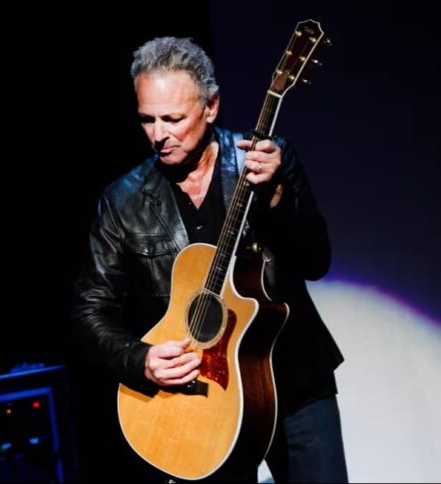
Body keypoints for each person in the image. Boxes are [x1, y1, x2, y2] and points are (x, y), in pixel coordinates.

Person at [72, 37, 347, 482]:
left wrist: (278, 195)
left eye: (174, 119)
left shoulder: (264, 162)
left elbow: (315, 260)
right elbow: (90, 309)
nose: (159, 134)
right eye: (147, 119)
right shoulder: (121, 202)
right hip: (200, 401)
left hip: (293, 383)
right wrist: (139, 359)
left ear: (211, 106)